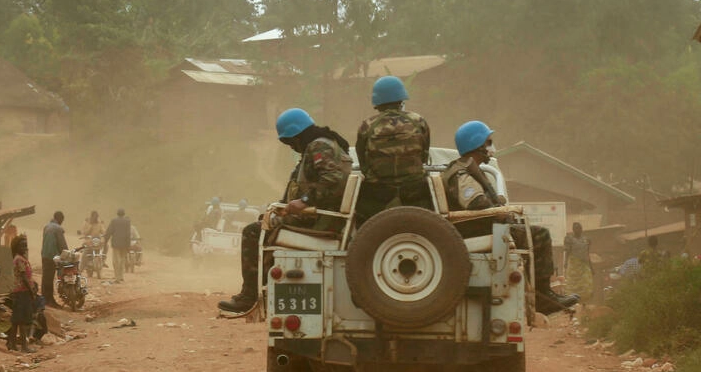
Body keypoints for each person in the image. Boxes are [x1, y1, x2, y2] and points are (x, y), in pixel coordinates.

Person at [219, 108, 353, 313]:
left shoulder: (319, 146)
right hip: (317, 217)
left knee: (252, 232)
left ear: (297, 136)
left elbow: (334, 181)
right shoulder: (324, 144)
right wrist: (280, 209)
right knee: (263, 222)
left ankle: (249, 296)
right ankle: (265, 286)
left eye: (290, 142)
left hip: (318, 221)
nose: (291, 147)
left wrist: (304, 201)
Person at [443, 121, 578, 314]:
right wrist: (497, 208)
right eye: (488, 142)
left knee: (529, 229)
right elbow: (475, 203)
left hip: (486, 226)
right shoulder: (461, 173)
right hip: (478, 230)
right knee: (540, 235)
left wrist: (498, 203)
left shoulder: (469, 169)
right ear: (476, 144)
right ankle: (543, 297)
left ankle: (540, 293)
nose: (491, 148)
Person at [354, 76, 433, 225]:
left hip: (378, 194)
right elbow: (424, 154)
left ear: (377, 102)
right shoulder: (418, 121)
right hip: (415, 190)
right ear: (401, 99)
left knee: (361, 221)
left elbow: (363, 162)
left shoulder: (367, 125)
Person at [7, 235, 37, 352]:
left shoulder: (20, 258)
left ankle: (12, 344)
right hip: (22, 292)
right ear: (16, 247)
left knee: (16, 320)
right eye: (22, 245)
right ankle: (24, 347)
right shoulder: (19, 259)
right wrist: (31, 291)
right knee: (23, 320)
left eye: (25, 245)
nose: (25, 247)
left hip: (19, 291)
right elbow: (24, 277)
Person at [41, 211, 68, 308]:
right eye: (62, 220)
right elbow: (62, 245)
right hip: (52, 256)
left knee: (45, 278)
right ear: (60, 219)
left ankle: (44, 299)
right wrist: (67, 254)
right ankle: (50, 300)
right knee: (50, 278)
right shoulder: (58, 228)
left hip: (44, 255)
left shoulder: (46, 226)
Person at [563, 222, 594, 302]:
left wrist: (591, 267)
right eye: (576, 228)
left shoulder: (586, 240)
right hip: (574, 265)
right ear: (573, 230)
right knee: (572, 285)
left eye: (579, 228)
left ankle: (584, 302)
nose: (578, 230)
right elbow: (567, 252)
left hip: (584, 265)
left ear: (581, 229)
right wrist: (565, 262)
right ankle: (573, 301)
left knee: (586, 284)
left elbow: (587, 253)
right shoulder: (569, 239)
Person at [104, 209, 133, 283]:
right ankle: (121, 276)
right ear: (124, 214)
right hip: (125, 244)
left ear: (117, 214)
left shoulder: (114, 221)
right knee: (122, 260)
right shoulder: (127, 221)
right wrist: (128, 245)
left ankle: (117, 278)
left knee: (116, 261)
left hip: (116, 244)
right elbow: (128, 234)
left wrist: (105, 240)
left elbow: (109, 231)